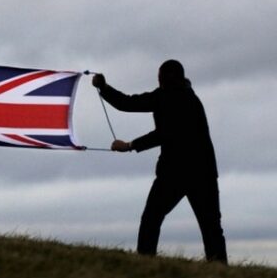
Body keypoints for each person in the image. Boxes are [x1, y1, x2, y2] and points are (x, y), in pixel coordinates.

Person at [92, 60, 227, 263]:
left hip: (175, 173)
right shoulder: (184, 97)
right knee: (211, 228)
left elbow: (162, 133)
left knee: (151, 219)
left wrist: (129, 145)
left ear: (161, 78)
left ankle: (145, 263)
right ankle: (220, 273)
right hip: (203, 172)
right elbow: (128, 103)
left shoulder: (167, 97)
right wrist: (104, 88)